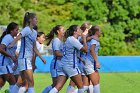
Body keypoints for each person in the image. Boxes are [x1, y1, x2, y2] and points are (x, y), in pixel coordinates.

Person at [10, 12, 46, 93]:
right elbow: (18, 37)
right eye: (35, 19)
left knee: (20, 82)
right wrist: (12, 44)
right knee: (31, 82)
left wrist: (42, 58)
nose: (37, 20)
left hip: (27, 59)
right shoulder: (26, 29)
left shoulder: (34, 32)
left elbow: (34, 48)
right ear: (30, 20)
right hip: (24, 58)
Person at [49, 25, 88, 93]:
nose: (81, 30)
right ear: (75, 32)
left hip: (63, 65)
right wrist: (84, 38)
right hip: (70, 66)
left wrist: (79, 58)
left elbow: (70, 53)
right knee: (81, 86)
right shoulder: (72, 40)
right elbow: (85, 50)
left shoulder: (69, 39)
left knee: (58, 87)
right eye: (79, 29)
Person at [42, 25, 65, 93]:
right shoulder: (56, 40)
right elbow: (57, 53)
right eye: (63, 30)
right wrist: (66, 55)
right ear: (58, 31)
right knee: (56, 85)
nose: (64, 31)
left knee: (57, 86)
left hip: (60, 65)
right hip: (56, 65)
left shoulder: (61, 41)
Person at [0, 22, 19, 92]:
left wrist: (16, 56)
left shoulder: (12, 39)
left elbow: (12, 51)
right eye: (16, 30)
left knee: (1, 83)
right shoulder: (7, 37)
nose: (18, 31)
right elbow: (0, 49)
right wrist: (11, 56)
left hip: (8, 64)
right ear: (11, 30)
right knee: (13, 83)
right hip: (4, 64)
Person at [84, 26, 102, 93]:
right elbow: (92, 50)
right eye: (100, 31)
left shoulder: (92, 39)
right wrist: (97, 62)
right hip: (89, 64)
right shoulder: (94, 40)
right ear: (97, 32)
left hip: (89, 63)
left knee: (86, 85)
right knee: (96, 84)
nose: (101, 32)